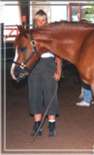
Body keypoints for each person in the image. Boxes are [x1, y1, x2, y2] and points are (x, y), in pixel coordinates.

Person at [28, 9, 62, 137]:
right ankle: (37, 125)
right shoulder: (31, 35)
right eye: (38, 20)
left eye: (43, 20)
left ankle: (52, 124)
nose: (40, 23)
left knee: (50, 95)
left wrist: (58, 70)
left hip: (49, 65)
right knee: (35, 96)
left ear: (46, 21)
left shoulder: (51, 35)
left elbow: (58, 54)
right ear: (35, 22)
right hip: (34, 66)